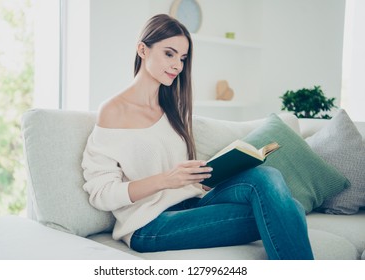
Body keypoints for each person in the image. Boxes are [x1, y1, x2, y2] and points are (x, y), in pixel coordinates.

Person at [81, 14, 314, 260]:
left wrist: (202, 175)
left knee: (268, 176)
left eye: (182, 58)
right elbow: (101, 194)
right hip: (149, 225)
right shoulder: (113, 111)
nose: (177, 66)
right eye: (169, 54)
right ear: (142, 50)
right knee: (290, 211)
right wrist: (166, 179)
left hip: (192, 202)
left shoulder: (172, 107)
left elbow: (184, 178)